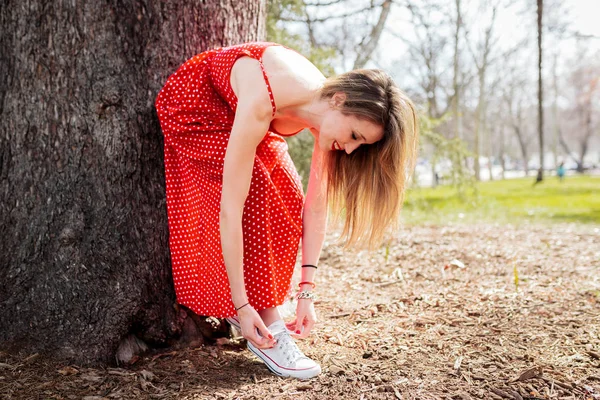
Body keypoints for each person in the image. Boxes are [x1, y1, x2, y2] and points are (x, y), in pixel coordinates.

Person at [155, 42, 418, 379]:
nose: (351, 150)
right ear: (339, 100)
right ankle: (265, 319)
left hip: (239, 111)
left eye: (360, 144)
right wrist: (241, 305)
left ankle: (262, 305)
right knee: (258, 187)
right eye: (354, 135)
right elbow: (231, 210)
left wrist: (306, 293)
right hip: (195, 105)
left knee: (290, 193)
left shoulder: (322, 113)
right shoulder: (265, 101)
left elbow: (315, 207)